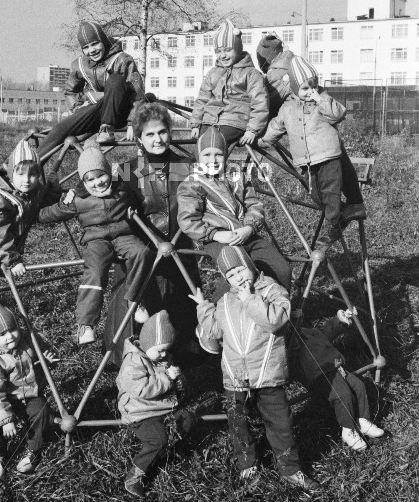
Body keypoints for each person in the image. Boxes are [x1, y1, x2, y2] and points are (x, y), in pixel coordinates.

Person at [191, 246, 320, 491]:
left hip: (267, 373)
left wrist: (250, 298)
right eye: (231, 275)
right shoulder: (225, 300)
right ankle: (247, 462)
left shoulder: (272, 290)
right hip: (235, 376)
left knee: (280, 423)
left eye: (240, 270)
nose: (238, 278)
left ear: (250, 266)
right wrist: (203, 307)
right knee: (237, 422)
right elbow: (215, 332)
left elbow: (275, 321)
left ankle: (291, 469)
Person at [104, 102, 200, 365]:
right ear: (139, 139)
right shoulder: (129, 168)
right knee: (138, 297)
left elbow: (211, 189)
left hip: (179, 246)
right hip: (146, 249)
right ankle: (127, 350)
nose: (157, 139)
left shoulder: (186, 165)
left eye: (162, 132)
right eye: (149, 134)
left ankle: (186, 341)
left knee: (183, 296)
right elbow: (100, 191)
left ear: (170, 132)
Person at [38, 142, 153, 345]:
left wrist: (140, 148)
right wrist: (37, 205)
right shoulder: (78, 198)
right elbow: (49, 214)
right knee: (95, 270)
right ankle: (86, 324)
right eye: (90, 179)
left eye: (102, 175)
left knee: (142, 252)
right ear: (83, 181)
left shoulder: (122, 186)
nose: (98, 183)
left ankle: (135, 300)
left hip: (122, 235)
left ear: (110, 172)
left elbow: (142, 168)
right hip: (96, 240)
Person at [256, 35, 366, 228]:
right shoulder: (295, 63)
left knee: (318, 184)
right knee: (338, 160)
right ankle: (352, 203)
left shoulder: (278, 75)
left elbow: (269, 104)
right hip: (319, 131)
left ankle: (337, 215)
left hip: (309, 133)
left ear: (265, 62)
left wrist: (254, 129)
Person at [0, 140, 60, 353]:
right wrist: (13, 259)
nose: (26, 180)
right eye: (20, 174)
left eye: (32, 175)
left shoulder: (33, 190)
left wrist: (56, 193)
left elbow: (43, 197)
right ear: (10, 174)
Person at [177, 127, 292, 292]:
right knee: (237, 275)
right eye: (207, 155)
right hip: (219, 240)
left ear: (225, 155)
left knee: (281, 269)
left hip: (247, 234)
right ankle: (224, 312)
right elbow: (188, 220)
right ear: (198, 157)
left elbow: (253, 204)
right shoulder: (192, 183)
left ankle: (279, 308)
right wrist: (215, 234)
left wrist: (249, 227)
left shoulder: (236, 176)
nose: (213, 160)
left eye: (218, 154)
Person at [38, 21, 145, 157]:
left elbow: (137, 93)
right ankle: (24, 165)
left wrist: (132, 123)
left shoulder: (122, 60)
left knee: (115, 79)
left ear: (104, 41)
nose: (92, 50)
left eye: (95, 44)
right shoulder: (80, 65)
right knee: (60, 129)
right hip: (96, 111)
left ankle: (107, 129)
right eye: (86, 47)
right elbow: (70, 90)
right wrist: (76, 108)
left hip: (120, 112)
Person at [117, 310, 195, 498]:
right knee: (157, 439)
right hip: (140, 410)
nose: (164, 354)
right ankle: (135, 476)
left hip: (161, 406)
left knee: (188, 419)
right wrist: (167, 377)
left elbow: (170, 383)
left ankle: (171, 453)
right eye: (159, 349)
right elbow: (142, 390)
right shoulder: (133, 362)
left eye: (167, 349)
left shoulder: (160, 356)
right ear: (146, 344)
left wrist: (177, 379)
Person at [0, 301, 58, 479]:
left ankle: (33, 450)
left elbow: (41, 359)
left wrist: (46, 362)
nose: (10, 337)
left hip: (30, 394)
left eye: (12, 330)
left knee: (42, 411)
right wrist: (6, 420)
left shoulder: (29, 341)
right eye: (2, 334)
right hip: (6, 399)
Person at [289, 308, 384, 451]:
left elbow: (326, 332)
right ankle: (348, 429)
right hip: (318, 375)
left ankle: (362, 420)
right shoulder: (287, 343)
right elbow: (289, 360)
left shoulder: (309, 332)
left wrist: (339, 320)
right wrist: (291, 334)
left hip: (336, 367)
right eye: (292, 316)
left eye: (297, 313)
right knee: (342, 395)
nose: (297, 315)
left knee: (358, 385)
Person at [190, 18, 268, 146]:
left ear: (237, 49)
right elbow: (202, 99)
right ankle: (204, 166)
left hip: (235, 121)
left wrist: (253, 129)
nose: (223, 55)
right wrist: (196, 123)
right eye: (218, 51)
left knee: (214, 143)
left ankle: (212, 165)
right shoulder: (213, 73)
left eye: (227, 50)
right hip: (209, 120)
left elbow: (260, 102)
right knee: (201, 147)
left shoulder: (250, 73)